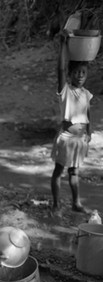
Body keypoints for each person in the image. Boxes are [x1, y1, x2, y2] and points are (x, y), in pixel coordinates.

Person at [51, 33, 92, 213]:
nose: (81, 75)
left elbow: (87, 113)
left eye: (83, 72)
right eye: (77, 72)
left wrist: (89, 131)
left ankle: (76, 203)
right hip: (66, 138)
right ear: (70, 75)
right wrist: (64, 46)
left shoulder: (86, 94)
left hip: (79, 140)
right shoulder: (66, 91)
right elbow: (60, 70)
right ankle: (56, 204)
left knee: (74, 172)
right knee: (59, 171)